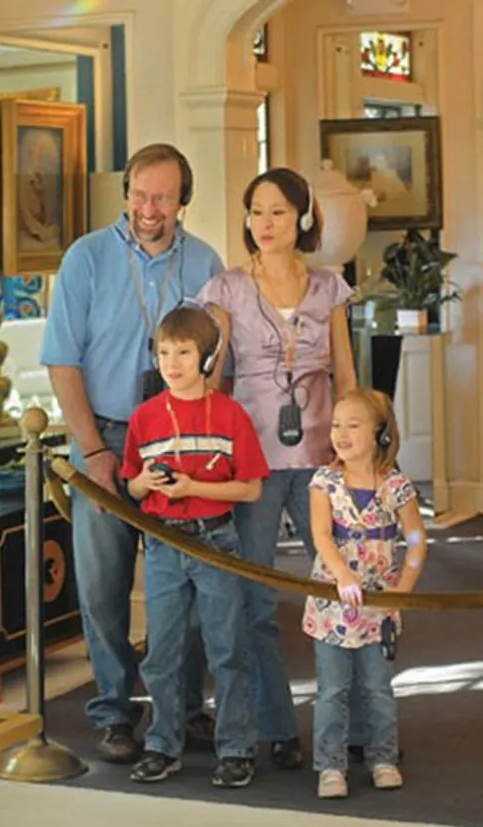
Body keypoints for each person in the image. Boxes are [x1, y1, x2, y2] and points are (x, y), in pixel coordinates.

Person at [41, 143, 225, 763]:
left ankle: (184, 707)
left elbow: (218, 362)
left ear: (182, 201)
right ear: (127, 194)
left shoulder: (204, 263)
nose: (150, 209)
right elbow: (62, 360)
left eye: (163, 197)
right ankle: (115, 711)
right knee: (103, 587)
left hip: (183, 439)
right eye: (141, 195)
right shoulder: (86, 258)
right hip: (106, 438)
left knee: (189, 582)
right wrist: (93, 451)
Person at [197, 167, 357, 769]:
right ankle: (278, 726)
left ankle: (347, 725)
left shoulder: (330, 288)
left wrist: (358, 452)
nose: (265, 224)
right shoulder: (227, 290)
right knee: (256, 600)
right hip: (253, 461)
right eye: (256, 212)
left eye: (279, 212)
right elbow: (212, 378)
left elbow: (347, 375)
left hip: (321, 457)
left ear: (303, 219)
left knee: (340, 594)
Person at [122, 304, 265, 788]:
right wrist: (143, 483)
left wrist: (193, 491)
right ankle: (163, 744)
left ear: (207, 358)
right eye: (164, 353)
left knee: (227, 646)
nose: (172, 363)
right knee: (161, 650)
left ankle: (236, 747)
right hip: (162, 544)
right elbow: (133, 490)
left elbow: (249, 489)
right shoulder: (143, 419)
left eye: (184, 352)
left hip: (215, 539)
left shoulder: (230, 414)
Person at [304, 388, 427, 798]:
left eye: (352, 425)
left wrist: (400, 595)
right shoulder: (324, 481)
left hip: (379, 607)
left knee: (377, 687)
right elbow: (321, 535)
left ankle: (383, 757)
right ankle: (330, 766)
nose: (340, 433)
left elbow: (416, 539)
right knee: (332, 688)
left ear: (379, 432)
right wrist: (342, 575)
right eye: (336, 424)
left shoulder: (396, 485)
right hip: (332, 606)